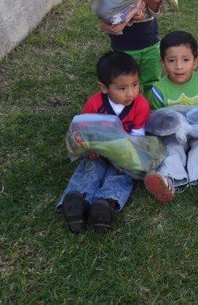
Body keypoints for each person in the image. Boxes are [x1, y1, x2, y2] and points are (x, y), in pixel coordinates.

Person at [57, 51, 150, 233]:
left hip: (124, 153)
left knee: (121, 174)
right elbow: (84, 129)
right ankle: (77, 201)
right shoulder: (94, 104)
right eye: (122, 88)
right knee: (90, 169)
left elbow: (137, 137)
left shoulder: (141, 105)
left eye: (135, 84)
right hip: (98, 152)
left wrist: (126, 159)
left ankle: (106, 203)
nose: (131, 93)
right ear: (104, 88)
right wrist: (89, 148)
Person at [144, 30, 198, 204]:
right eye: (171, 61)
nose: (179, 66)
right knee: (170, 150)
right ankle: (166, 180)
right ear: (162, 64)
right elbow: (154, 118)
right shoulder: (158, 90)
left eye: (185, 60)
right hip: (173, 135)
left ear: (195, 62)